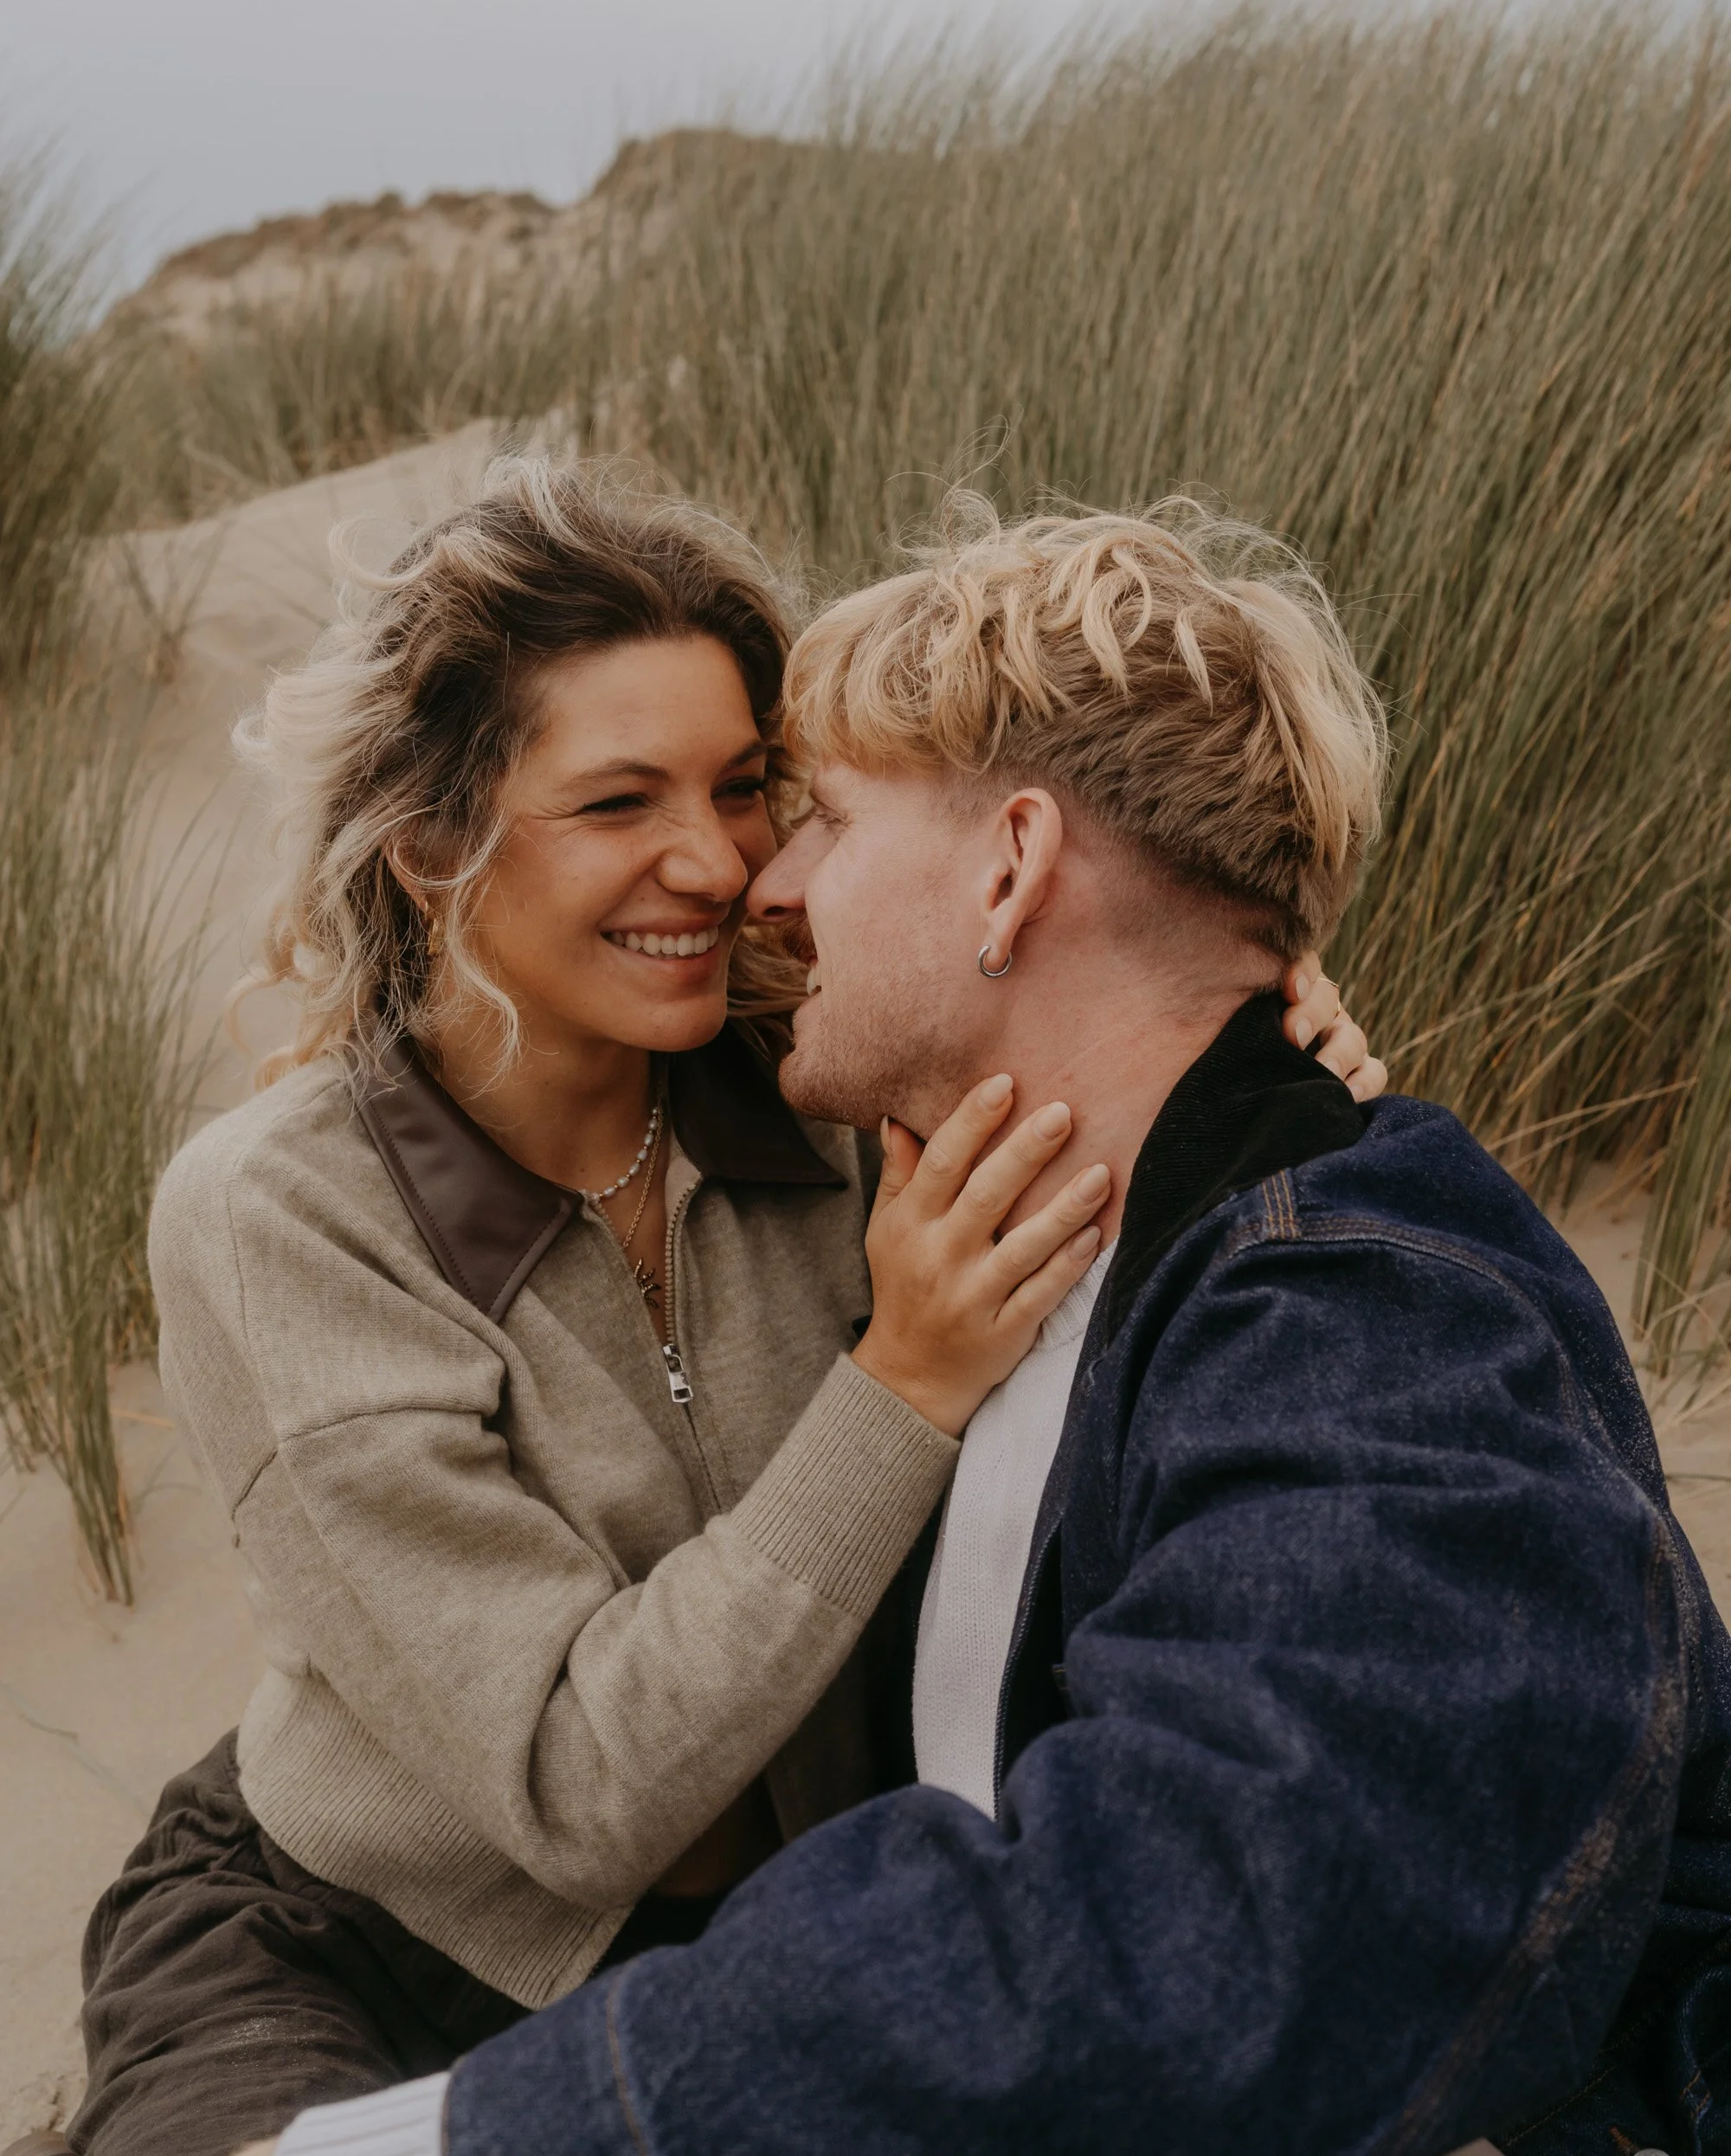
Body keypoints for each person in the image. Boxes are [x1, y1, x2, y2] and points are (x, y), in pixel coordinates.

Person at [265, 498, 1731, 2156]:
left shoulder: (1366, 1308)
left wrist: (463, 2139)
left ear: (1017, 866)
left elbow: (1207, 1925)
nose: (769, 881)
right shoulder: (971, 1218)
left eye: (815, 813)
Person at [44, 464, 1380, 2156]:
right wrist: (901, 1381)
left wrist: (1258, 1003)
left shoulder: (840, 1077)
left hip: (784, 1933)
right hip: (362, 1940)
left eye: (746, 785)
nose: (716, 861)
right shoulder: (282, 1218)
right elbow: (570, 1786)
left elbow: (1111, 1008)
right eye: (616, 804)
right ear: (434, 838)